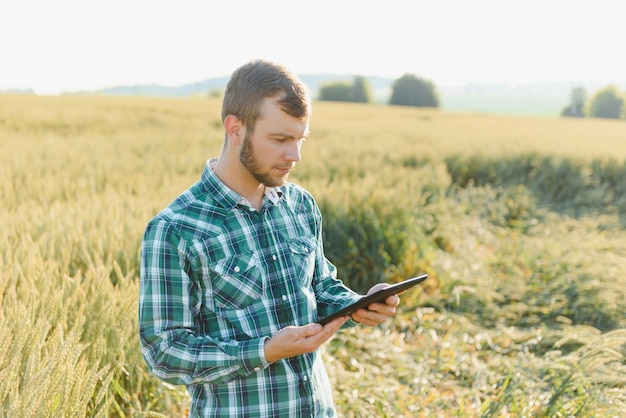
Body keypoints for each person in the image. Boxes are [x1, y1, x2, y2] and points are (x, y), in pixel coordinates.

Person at [138, 59, 401, 417]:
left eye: (299, 139)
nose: (294, 156)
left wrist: (358, 305)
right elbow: (164, 353)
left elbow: (320, 288)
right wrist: (264, 351)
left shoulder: (300, 204)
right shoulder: (176, 229)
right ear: (235, 129)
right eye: (280, 139)